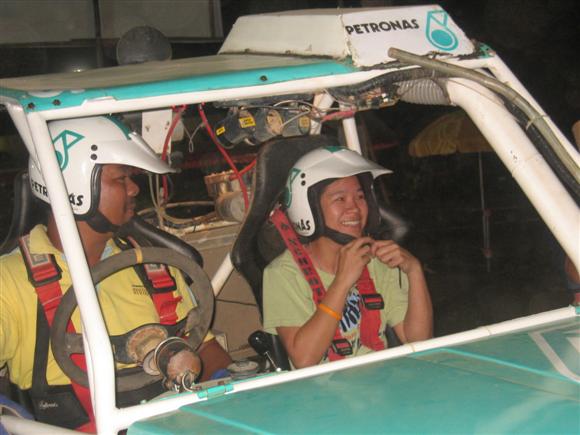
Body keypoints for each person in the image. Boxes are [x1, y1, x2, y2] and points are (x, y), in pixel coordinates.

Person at [0, 116, 231, 431]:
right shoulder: (8, 282)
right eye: (121, 178)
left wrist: (229, 384)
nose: (134, 188)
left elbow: (203, 348)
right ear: (76, 188)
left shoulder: (155, 268)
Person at [263, 146, 432, 368]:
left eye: (360, 197)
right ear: (309, 209)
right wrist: (342, 281)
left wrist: (414, 271)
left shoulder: (377, 263)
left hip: (380, 381)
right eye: (340, 199)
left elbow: (419, 342)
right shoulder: (282, 274)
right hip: (319, 386)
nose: (355, 208)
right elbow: (304, 359)